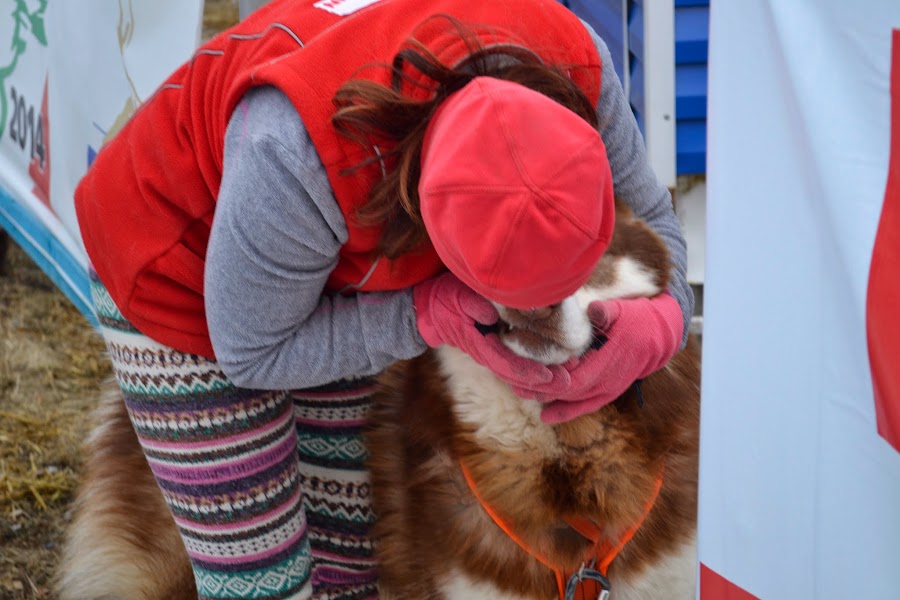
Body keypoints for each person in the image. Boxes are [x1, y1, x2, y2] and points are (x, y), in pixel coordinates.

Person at [74, 0, 693, 598]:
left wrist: (667, 319)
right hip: (179, 268)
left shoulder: (577, 61)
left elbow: (658, 220)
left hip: (335, 259)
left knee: (352, 559)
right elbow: (253, 354)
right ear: (431, 227)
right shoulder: (294, 156)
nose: (551, 308)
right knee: (259, 578)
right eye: (518, 292)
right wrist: (426, 313)